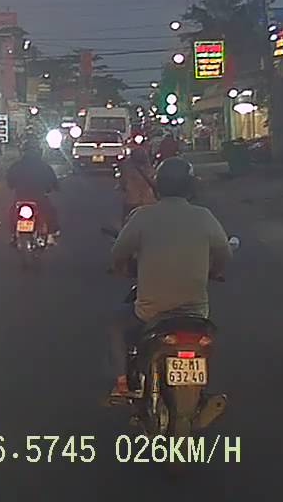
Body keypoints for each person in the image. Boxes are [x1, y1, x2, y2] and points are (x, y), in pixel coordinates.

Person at [107, 157, 231, 400]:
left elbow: (118, 253)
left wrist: (119, 268)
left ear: (159, 186)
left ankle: (122, 383)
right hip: (196, 313)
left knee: (116, 327)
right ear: (190, 186)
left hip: (151, 312)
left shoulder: (142, 216)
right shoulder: (204, 216)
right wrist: (215, 271)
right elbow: (224, 254)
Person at [6, 144, 61, 244]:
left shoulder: (16, 166)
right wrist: (55, 187)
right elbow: (53, 182)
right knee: (50, 211)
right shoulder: (44, 166)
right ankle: (52, 232)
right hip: (38, 197)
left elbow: (10, 182)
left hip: (21, 197)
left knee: (12, 211)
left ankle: (13, 234)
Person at [119, 148, 157, 223]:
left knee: (127, 222)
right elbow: (155, 183)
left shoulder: (127, 168)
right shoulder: (150, 169)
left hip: (132, 200)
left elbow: (123, 183)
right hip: (148, 201)